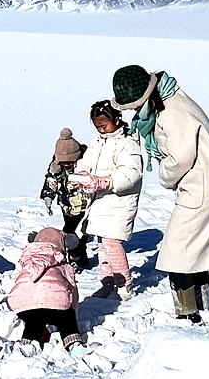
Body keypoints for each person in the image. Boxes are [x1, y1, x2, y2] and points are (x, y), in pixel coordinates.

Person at [110, 65, 209, 323]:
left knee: (176, 250)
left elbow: (180, 157)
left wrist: (165, 176)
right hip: (206, 182)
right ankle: (202, 302)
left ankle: (187, 311)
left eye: (134, 105)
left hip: (200, 187)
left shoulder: (172, 113)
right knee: (195, 246)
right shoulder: (171, 99)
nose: (134, 111)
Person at [69, 100, 143, 300]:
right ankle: (107, 280)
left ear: (117, 120)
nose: (101, 129)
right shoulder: (97, 142)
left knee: (112, 242)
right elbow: (86, 160)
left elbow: (131, 174)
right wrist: (83, 173)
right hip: (99, 202)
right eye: (97, 126)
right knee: (101, 242)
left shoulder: (127, 144)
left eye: (104, 125)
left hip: (119, 202)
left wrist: (105, 182)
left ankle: (124, 284)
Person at [7, 227, 86, 357]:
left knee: (34, 321)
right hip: (55, 301)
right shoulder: (60, 260)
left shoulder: (27, 259)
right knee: (66, 320)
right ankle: (74, 345)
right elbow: (72, 287)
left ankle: (27, 347)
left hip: (22, 303)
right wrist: (72, 310)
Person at [39, 128, 91, 268]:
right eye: (64, 162)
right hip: (67, 207)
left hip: (84, 207)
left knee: (77, 235)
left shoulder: (85, 165)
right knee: (70, 232)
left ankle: (76, 259)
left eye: (70, 162)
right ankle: (79, 258)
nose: (67, 165)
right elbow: (51, 181)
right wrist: (48, 196)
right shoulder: (56, 168)